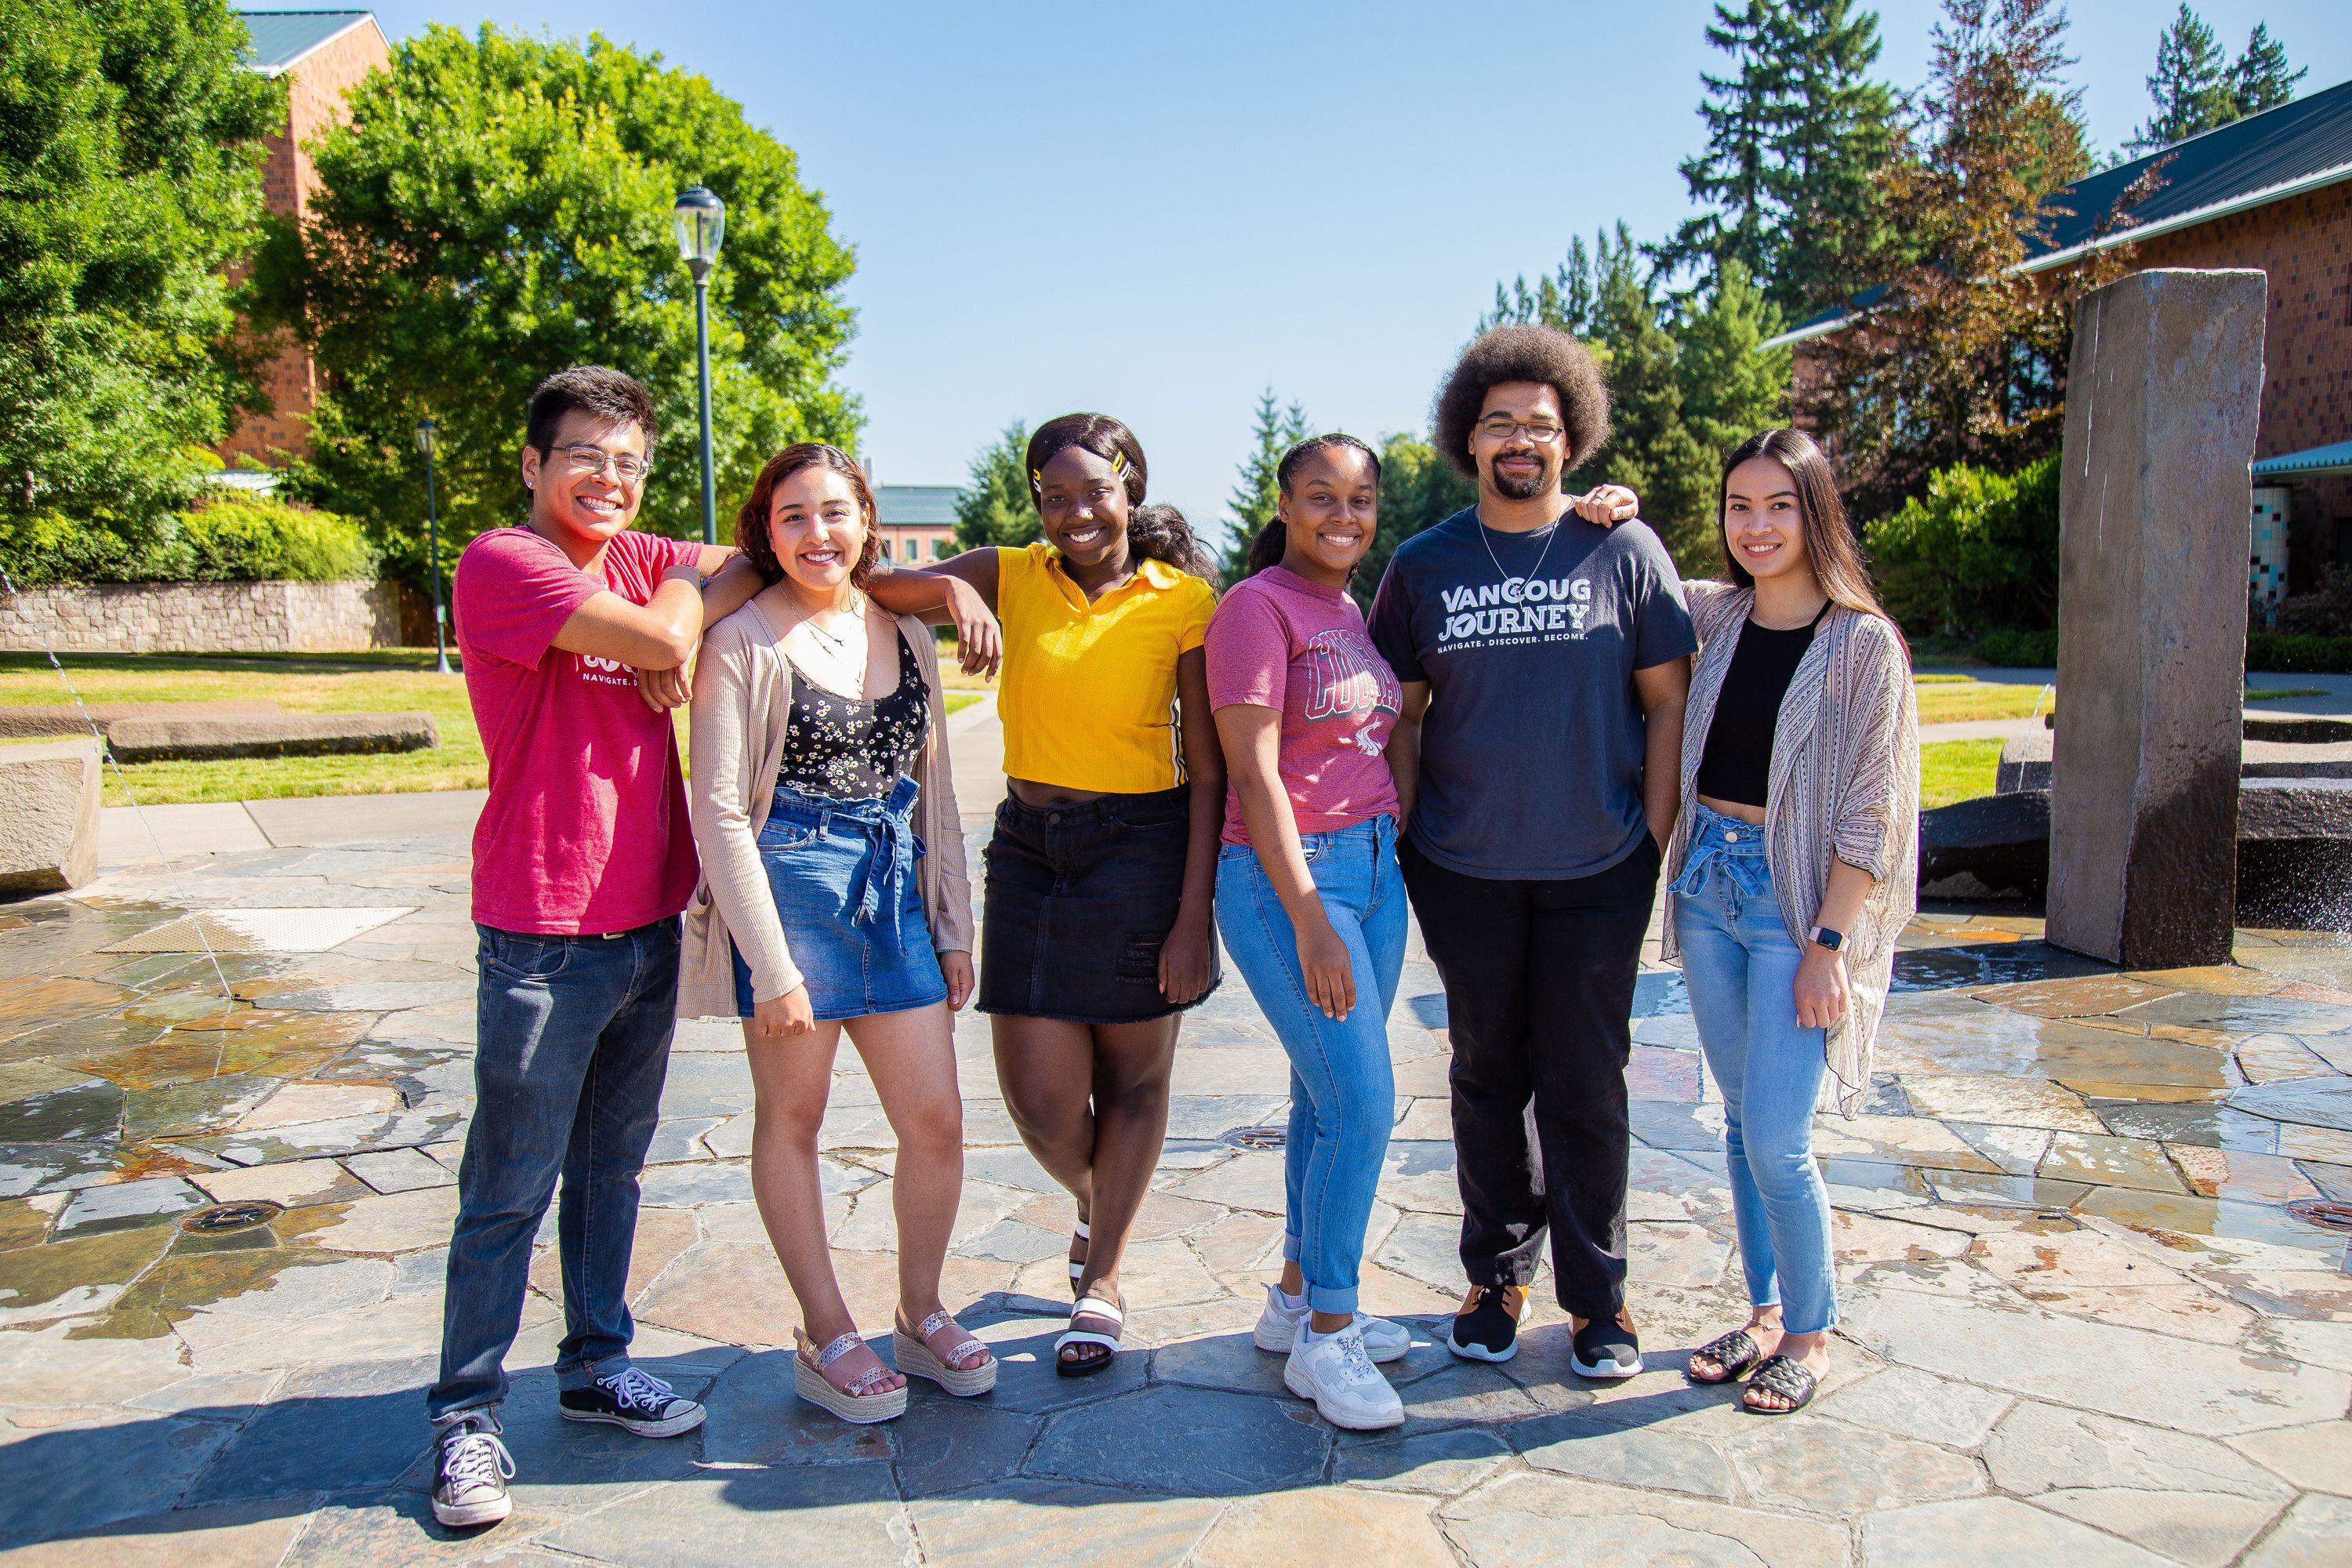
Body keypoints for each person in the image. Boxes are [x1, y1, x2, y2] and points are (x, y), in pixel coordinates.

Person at [430, 366, 764, 1529]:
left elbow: (746, 558)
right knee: (508, 1185)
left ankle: (593, 1366)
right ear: (532, 464)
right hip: (540, 925)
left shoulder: (637, 554)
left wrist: (681, 586)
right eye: (585, 455)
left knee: (611, 1172)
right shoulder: (502, 563)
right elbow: (674, 621)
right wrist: (675, 621)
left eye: (629, 460)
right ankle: (465, 1418)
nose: (609, 478)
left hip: (646, 921)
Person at [1368, 325, 1695, 1380]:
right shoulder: (1423, 565)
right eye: (1500, 422)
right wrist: (1415, 839)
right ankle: (1496, 1273)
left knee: (1587, 1084)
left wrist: (1649, 840)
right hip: (1463, 869)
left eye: (1541, 425)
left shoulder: (1624, 552)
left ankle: (1601, 1300)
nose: (1521, 439)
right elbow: (1400, 713)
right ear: (1468, 438)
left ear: (1574, 438)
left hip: (1600, 868)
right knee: (1485, 1076)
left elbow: (1666, 704)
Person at [867, 414, 1220, 1376]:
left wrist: (1197, 915)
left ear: (1130, 488)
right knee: (1039, 1099)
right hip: (1030, 847)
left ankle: (1100, 1279)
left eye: (1093, 491)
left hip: (1143, 846)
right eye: (1052, 496)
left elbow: (1213, 771)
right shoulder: (1011, 571)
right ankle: (1098, 1200)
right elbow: (864, 581)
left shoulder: (1183, 599)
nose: (1073, 512)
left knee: (1135, 1080)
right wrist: (948, 584)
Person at [679, 442, 990, 1424]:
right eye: (794, 517)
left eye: (835, 512)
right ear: (766, 533)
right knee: (795, 1120)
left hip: (895, 889)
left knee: (935, 1121)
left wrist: (951, 923)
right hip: (789, 891)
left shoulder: (907, 631)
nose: (819, 534)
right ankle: (826, 1330)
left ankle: (920, 1308)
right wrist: (768, 964)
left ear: (867, 518)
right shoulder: (741, 639)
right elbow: (721, 810)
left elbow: (936, 791)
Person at [1668, 429, 1918, 1415]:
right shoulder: (1716, 618)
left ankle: (1812, 1334)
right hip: (1705, 889)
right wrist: (1609, 506)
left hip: (1794, 906)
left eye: (1779, 504)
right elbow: (1633, 569)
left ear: (1815, 511)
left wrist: (1829, 942)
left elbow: (1875, 808)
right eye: (1740, 506)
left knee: (1778, 1134)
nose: (1757, 525)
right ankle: (1765, 1313)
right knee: (1735, 1119)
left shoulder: (1863, 644)